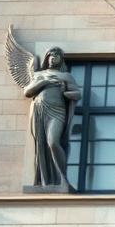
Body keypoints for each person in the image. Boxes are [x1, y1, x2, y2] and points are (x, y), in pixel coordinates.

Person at [23, 46, 81, 189]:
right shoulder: (39, 75)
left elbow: (77, 94)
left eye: (56, 56)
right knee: (42, 145)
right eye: (51, 56)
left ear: (61, 59)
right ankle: (46, 181)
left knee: (53, 142)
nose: (53, 58)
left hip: (57, 110)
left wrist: (64, 92)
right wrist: (44, 82)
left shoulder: (66, 76)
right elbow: (27, 92)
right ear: (47, 58)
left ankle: (63, 177)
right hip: (39, 110)